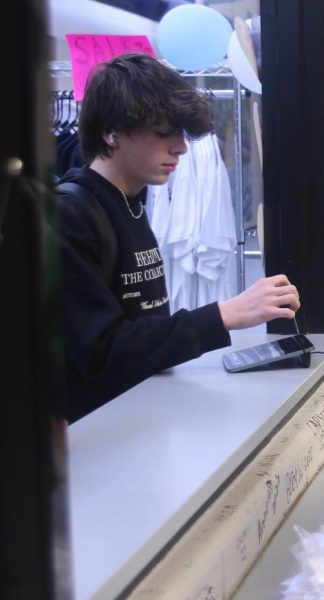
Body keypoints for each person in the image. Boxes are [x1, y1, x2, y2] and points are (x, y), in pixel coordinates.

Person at [55, 53, 300, 423]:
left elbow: (141, 329)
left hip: (140, 416)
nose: (181, 148)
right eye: (162, 133)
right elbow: (100, 352)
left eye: (182, 134)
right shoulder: (70, 215)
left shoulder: (132, 201)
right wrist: (225, 315)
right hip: (97, 435)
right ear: (111, 132)